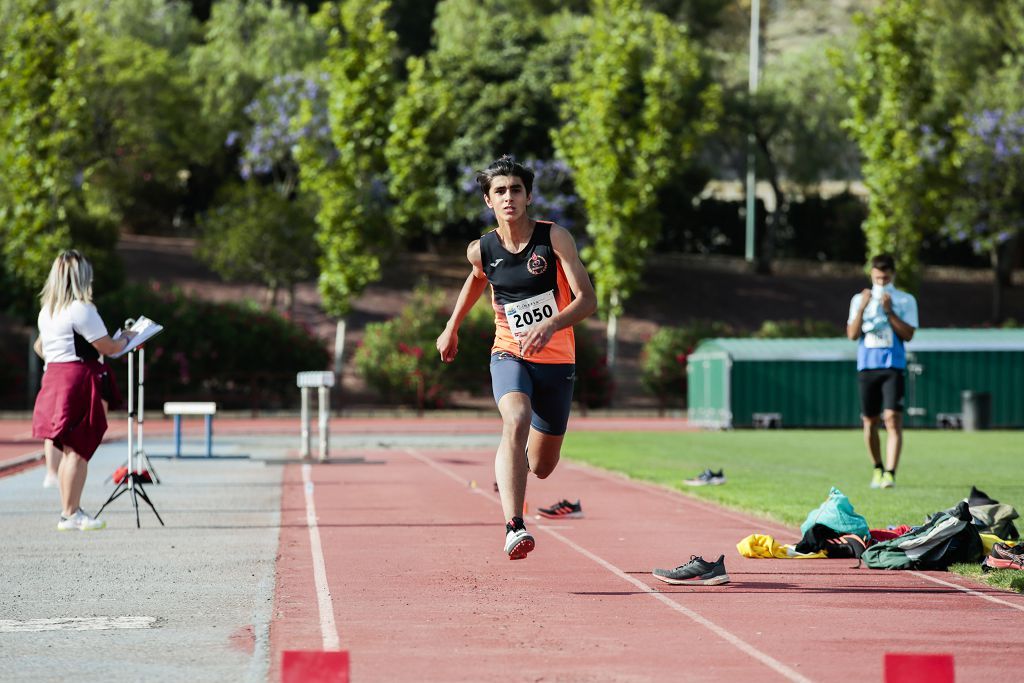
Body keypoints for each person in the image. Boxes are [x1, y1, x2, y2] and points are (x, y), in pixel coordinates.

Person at [436, 155, 597, 560]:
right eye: (500, 191)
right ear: (489, 201)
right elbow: (476, 280)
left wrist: (553, 324)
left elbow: (587, 300)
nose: (509, 197)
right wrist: (451, 326)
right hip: (509, 353)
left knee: (542, 466)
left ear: (527, 196)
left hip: (557, 361)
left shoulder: (554, 238)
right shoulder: (482, 248)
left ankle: (513, 465)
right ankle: (514, 525)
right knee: (516, 419)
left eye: (516, 190)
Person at [32, 250, 134, 530]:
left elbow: (40, 347)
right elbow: (109, 348)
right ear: (81, 277)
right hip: (77, 380)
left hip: (54, 378)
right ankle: (71, 512)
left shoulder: (47, 311)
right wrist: (128, 336)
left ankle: (69, 512)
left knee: (69, 449)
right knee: (78, 449)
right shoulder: (81, 308)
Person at [846, 253, 919, 489]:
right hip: (868, 366)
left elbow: (908, 334)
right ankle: (877, 468)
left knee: (892, 418)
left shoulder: (906, 300)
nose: (881, 283)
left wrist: (889, 311)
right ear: (871, 275)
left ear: (893, 275)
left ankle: (890, 472)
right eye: (877, 278)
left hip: (892, 366)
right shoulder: (859, 299)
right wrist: (863, 308)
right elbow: (852, 334)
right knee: (870, 421)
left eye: (885, 278)